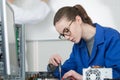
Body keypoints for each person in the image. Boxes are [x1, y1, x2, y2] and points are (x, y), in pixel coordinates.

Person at [47, 4, 120, 80]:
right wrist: (53, 65)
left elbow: (117, 74)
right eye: (63, 35)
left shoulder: (111, 37)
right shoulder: (77, 47)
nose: (67, 37)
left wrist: (83, 78)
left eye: (66, 30)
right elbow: (64, 73)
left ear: (78, 20)